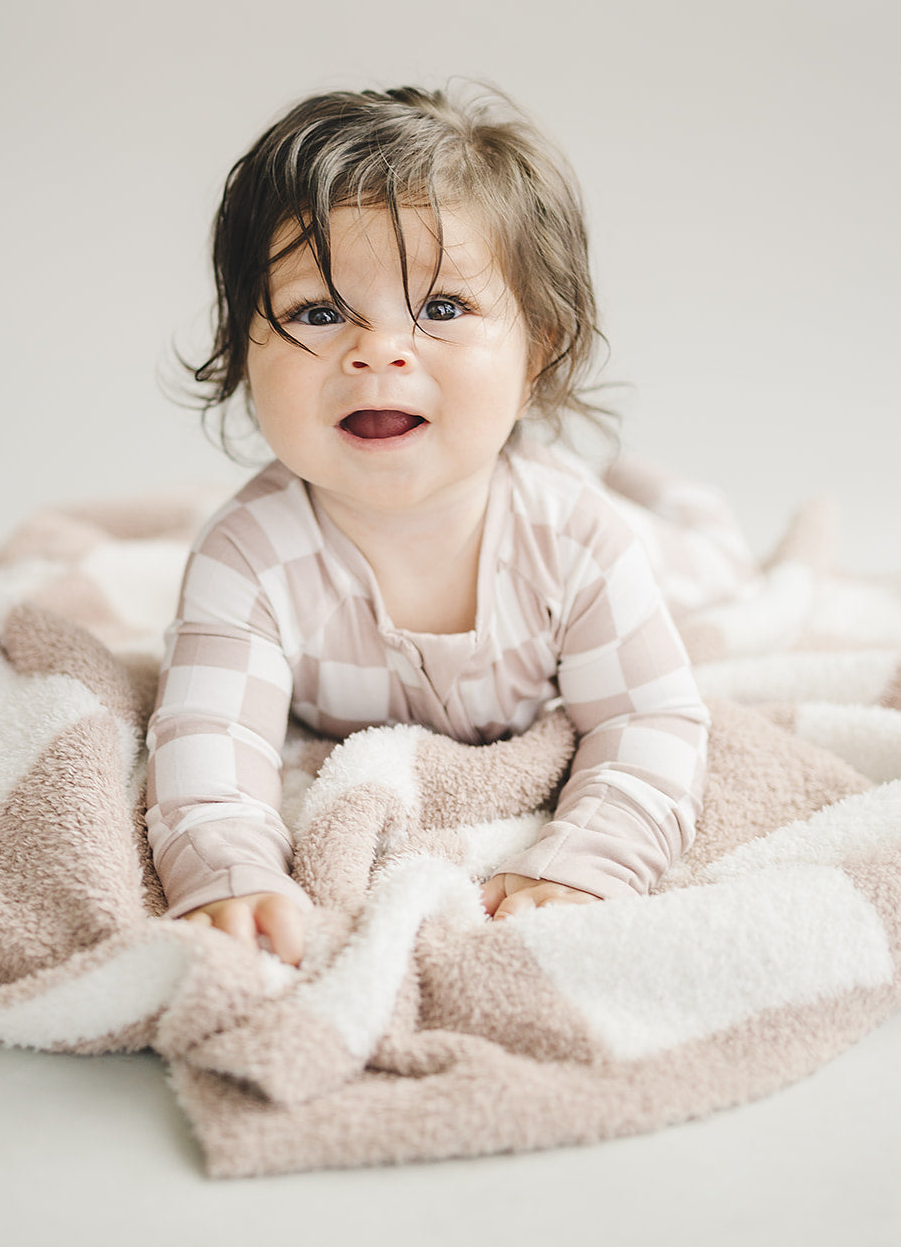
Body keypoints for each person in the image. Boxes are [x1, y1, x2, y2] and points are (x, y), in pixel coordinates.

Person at [146, 84, 751, 967]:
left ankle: (676, 507)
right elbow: (207, 742)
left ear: (536, 348)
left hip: (624, 542)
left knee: (705, 574)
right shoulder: (248, 554)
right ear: (244, 346)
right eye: (318, 313)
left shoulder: (572, 536)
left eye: (438, 309)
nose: (377, 352)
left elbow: (649, 718)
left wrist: (589, 863)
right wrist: (229, 872)